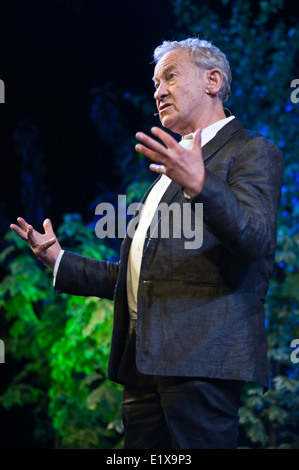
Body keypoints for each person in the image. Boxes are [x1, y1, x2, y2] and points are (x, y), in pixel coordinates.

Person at [10, 38, 284, 449]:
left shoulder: (252, 151)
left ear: (213, 81)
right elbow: (140, 275)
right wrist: (60, 260)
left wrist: (202, 185)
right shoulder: (163, 177)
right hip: (141, 365)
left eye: (170, 77)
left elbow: (256, 238)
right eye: (155, 82)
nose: (157, 91)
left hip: (201, 359)